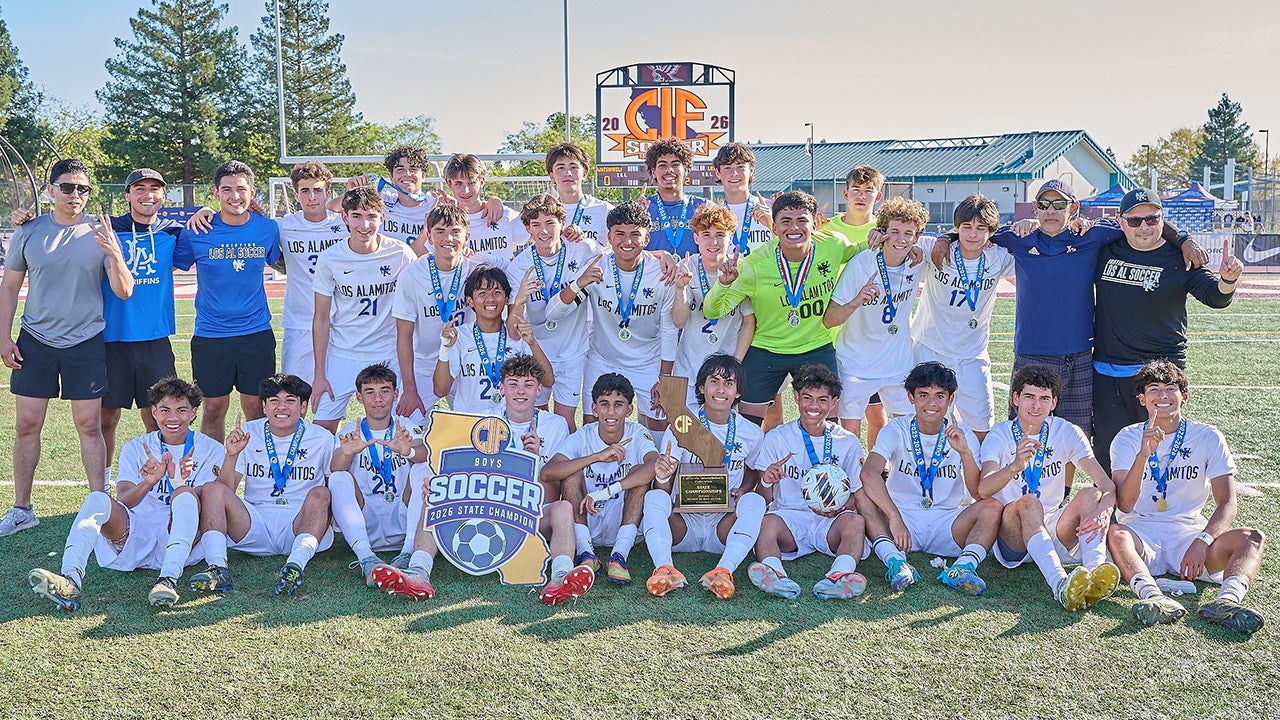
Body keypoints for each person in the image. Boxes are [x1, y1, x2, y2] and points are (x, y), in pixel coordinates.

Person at [930, 180, 1206, 481]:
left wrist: (1184, 240)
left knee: (1075, 434)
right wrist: (946, 238)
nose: (1051, 210)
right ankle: (1018, 492)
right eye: (1044, 204)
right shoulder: (1018, 238)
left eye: (1059, 204)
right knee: (1023, 428)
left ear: (1073, 208)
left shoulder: (1094, 234)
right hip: (1032, 352)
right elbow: (977, 229)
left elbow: (1143, 223)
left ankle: (1060, 497)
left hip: (1079, 353)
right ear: (1035, 209)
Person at [372, 354, 596, 604]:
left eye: (528, 384)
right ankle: (418, 572)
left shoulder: (553, 425)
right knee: (434, 492)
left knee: (564, 508)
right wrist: (414, 456)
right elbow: (450, 456)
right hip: (485, 509)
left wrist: (535, 460)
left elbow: (552, 488)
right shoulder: (483, 420)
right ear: (501, 388)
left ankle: (560, 578)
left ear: (539, 390)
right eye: (513, 384)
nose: (520, 391)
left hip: (526, 516)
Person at [0, 158, 134, 537]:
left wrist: (114, 253)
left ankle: (99, 507)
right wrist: (3, 336)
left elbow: (124, 291)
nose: (76, 195)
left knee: (89, 425)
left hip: (85, 341)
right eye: (68, 187)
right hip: (35, 341)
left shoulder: (100, 231)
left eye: (83, 189)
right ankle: (22, 509)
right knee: (27, 425)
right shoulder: (28, 230)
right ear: (51, 190)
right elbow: (9, 287)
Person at [27, 377, 222, 610]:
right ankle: (70, 579)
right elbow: (125, 499)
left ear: (193, 413)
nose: (172, 418)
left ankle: (168, 580)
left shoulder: (211, 449)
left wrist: (180, 483)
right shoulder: (136, 447)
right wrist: (148, 482)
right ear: (154, 412)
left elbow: (210, 505)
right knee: (97, 498)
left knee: (187, 498)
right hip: (134, 535)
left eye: (181, 410)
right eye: (165, 410)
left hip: (183, 540)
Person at [1107, 361, 1266, 634]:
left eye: (1171, 389)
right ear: (1142, 399)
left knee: (1253, 537)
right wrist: (1143, 455)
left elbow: (1227, 503)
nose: (1163, 396)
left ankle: (1227, 602)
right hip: (1140, 535)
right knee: (1116, 533)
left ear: (1184, 396)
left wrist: (1202, 540)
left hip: (1189, 535)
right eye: (1154, 389)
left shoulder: (1207, 436)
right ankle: (1152, 597)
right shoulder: (1127, 437)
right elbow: (1124, 504)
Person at [1092, 189, 1242, 470]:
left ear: (1163, 219)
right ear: (1121, 222)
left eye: (1152, 219)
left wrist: (1227, 280)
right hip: (1107, 373)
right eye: (1135, 221)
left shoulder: (1179, 258)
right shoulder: (1105, 249)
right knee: (1108, 450)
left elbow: (1216, 297)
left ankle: (1159, 513)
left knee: (1159, 451)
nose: (1144, 227)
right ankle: (1110, 513)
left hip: (1158, 375)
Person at [703, 190, 865, 426]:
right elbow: (712, 311)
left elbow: (865, 250)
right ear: (774, 227)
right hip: (766, 349)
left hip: (815, 346)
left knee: (826, 423)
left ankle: (825, 464)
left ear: (814, 225)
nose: (794, 228)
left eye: (802, 221)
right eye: (786, 221)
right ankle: (751, 465)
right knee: (747, 426)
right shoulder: (754, 266)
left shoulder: (833, 245)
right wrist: (723, 285)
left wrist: (905, 244)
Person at [978, 365, 1120, 611]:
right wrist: (1014, 466)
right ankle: (1059, 585)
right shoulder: (999, 435)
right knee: (1029, 501)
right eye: (1029, 397)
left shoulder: (1066, 431)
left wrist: (1106, 506)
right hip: (1012, 535)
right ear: (1015, 399)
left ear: (1054, 402)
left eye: (1044, 398)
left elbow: (1105, 484)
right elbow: (984, 489)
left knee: (1090, 494)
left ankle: (1095, 573)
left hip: (1052, 527)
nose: (1036, 406)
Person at [185, 374, 335, 596]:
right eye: (274, 400)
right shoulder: (249, 432)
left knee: (321, 492)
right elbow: (225, 490)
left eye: (290, 400)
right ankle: (217, 568)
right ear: (264, 406)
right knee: (212, 488)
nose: (281, 407)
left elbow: (333, 490)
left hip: (299, 523)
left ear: (303, 407)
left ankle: (295, 565)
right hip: (255, 524)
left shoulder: (321, 438)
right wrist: (231, 456)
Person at [858, 362, 1000, 595]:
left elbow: (977, 493)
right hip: (902, 520)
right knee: (862, 493)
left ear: (950, 399)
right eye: (923, 395)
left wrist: (965, 452)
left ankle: (962, 569)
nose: (931, 404)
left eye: (939, 396)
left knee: (993, 507)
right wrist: (894, 516)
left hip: (947, 521)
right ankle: (896, 563)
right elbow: (869, 472)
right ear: (911, 397)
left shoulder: (965, 435)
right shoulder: (897, 429)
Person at [642, 354, 766, 599]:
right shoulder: (681, 425)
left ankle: (723, 571)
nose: (721, 390)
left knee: (755, 501)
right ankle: (665, 569)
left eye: (728, 383)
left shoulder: (751, 432)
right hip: (683, 524)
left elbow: (753, 470)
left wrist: (744, 488)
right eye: (714, 381)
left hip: (723, 525)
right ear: (701, 387)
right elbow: (663, 487)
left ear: (738, 392)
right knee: (655, 496)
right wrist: (664, 476)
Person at [547, 201, 677, 432]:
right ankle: (595, 468)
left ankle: (655, 468)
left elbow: (669, 328)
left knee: (661, 422)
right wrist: (579, 284)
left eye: (635, 234)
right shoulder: (596, 267)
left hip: (648, 361)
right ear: (609, 237)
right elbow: (553, 314)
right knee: (592, 422)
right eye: (620, 234)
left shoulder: (662, 272)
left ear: (647, 239)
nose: (627, 241)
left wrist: (665, 377)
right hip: (603, 359)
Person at [175, 160, 281, 442]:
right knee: (213, 408)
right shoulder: (197, 229)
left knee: (256, 408)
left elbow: (277, 259)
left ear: (252, 191)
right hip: (211, 335)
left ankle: (258, 478)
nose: (235, 196)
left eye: (241, 189)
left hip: (255, 333)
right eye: (227, 189)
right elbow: (175, 262)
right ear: (216, 192)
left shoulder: (268, 229)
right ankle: (213, 478)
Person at [746, 364, 869, 600]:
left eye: (822, 400)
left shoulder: (848, 442)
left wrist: (838, 507)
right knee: (765, 523)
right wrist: (767, 480)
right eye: (807, 398)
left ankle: (838, 577)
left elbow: (854, 494)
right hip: (790, 517)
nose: (814, 406)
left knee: (855, 522)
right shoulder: (776, 438)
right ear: (796, 398)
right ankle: (775, 574)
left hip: (831, 520)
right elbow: (764, 498)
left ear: (834, 402)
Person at [310, 187, 416, 432]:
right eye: (357, 216)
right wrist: (319, 373)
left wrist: (410, 383)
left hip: (388, 353)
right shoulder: (330, 258)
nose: (364, 224)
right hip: (344, 352)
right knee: (322, 429)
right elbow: (322, 318)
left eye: (371, 216)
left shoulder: (401, 253)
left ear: (382, 217)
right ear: (345, 218)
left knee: (405, 427)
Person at [541, 373, 661, 585]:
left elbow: (655, 465)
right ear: (594, 409)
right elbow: (548, 472)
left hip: (624, 519)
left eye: (619, 404)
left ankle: (619, 556)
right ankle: (586, 554)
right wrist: (597, 456)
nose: (611, 412)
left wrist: (606, 492)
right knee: (570, 472)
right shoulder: (584, 435)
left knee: (639, 474)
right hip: (587, 520)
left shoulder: (637, 432)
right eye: (604, 404)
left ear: (629, 410)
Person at [912, 195, 1015, 440]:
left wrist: (1028, 224)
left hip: (972, 354)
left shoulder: (998, 257)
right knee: (926, 423)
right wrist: (944, 238)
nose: (972, 234)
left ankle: (976, 477)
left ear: (990, 232)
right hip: (931, 348)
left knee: (981, 426)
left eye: (981, 229)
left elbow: (1031, 249)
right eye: (966, 227)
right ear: (957, 228)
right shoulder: (933, 249)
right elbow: (902, 238)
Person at [824, 197, 929, 437]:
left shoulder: (917, 261)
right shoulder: (861, 264)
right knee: (849, 434)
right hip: (856, 365)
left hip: (898, 364)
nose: (901, 239)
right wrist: (856, 301)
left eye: (908, 233)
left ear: (917, 237)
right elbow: (830, 319)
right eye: (894, 232)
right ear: (881, 232)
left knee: (908, 431)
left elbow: (954, 241)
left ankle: (885, 474)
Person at [504, 194, 598, 431]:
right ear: (527, 228)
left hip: (572, 351)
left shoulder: (582, 250)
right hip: (536, 350)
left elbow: (619, 255)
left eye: (550, 223)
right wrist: (520, 299)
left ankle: (566, 468)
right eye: (535, 225)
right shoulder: (519, 266)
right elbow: (513, 333)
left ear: (562, 223)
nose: (543, 231)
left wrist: (662, 255)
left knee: (565, 423)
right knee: (536, 422)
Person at [328, 364, 427, 586]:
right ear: (358, 397)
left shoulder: (406, 426)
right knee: (338, 477)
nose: (378, 398)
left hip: (403, 515)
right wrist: (347, 454)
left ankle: (409, 551)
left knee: (423, 468)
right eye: (370, 392)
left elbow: (424, 453)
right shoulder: (350, 432)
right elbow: (335, 466)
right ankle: (367, 558)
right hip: (366, 518)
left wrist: (408, 451)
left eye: (384, 390)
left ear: (396, 394)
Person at [821, 165, 888, 443]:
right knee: (837, 413)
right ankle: (844, 468)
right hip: (834, 331)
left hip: (874, 334)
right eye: (856, 191)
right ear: (845, 194)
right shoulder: (827, 229)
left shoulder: (885, 230)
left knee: (877, 416)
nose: (861, 196)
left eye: (868, 191)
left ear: (879, 196)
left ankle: (876, 469)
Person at [392, 204, 479, 420]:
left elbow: (516, 270)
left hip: (466, 360)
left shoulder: (477, 268)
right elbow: (403, 336)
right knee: (406, 426)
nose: (448, 238)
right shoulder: (411, 275)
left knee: (477, 428)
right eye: (440, 231)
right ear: (429, 237)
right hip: (425, 363)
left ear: (466, 236)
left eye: (455, 232)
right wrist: (410, 389)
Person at [434, 265, 554, 414]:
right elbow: (440, 390)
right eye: (482, 293)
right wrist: (445, 349)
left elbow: (548, 381)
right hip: (470, 423)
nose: (490, 299)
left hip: (509, 424)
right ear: (470, 301)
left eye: (497, 292)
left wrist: (532, 343)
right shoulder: (459, 336)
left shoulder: (518, 334)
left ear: (506, 299)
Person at [670, 204, 755, 408]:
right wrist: (680, 288)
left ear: (731, 236)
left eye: (720, 234)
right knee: (684, 432)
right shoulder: (686, 266)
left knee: (720, 432)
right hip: (687, 370)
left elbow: (749, 322)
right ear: (696, 237)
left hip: (725, 374)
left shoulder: (742, 270)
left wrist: (736, 364)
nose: (713, 241)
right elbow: (679, 322)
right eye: (706, 234)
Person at [275, 161, 347, 382]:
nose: (312, 197)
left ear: (327, 193)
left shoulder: (346, 223)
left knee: (341, 395)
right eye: (305, 191)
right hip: (300, 325)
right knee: (293, 393)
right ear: (296, 195)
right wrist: (208, 209)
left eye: (318, 190)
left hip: (342, 324)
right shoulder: (283, 226)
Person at [441, 153, 529, 268]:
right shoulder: (444, 222)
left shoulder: (503, 215)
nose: (465, 190)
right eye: (458, 183)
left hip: (503, 284)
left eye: (471, 182)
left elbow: (540, 234)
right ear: (449, 184)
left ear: (482, 181)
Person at [643, 138, 707, 257]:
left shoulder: (704, 208)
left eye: (675, 164)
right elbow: (629, 252)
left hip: (693, 274)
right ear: (653, 172)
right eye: (662, 165)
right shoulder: (643, 209)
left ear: (686, 169)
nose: (669, 170)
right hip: (654, 275)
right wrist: (660, 255)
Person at [545, 142, 611, 247]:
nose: (568, 173)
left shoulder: (605, 210)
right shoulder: (544, 213)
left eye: (573, 167)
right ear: (552, 176)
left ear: (584, 173)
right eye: (561, 168)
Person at [710, 142, 772, 255]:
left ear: (751, 171)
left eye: (740, 167)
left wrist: (772, 223)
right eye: (727, 168)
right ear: (718, 173)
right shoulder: (714, 214)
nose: (734, 173)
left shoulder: (769, 207)